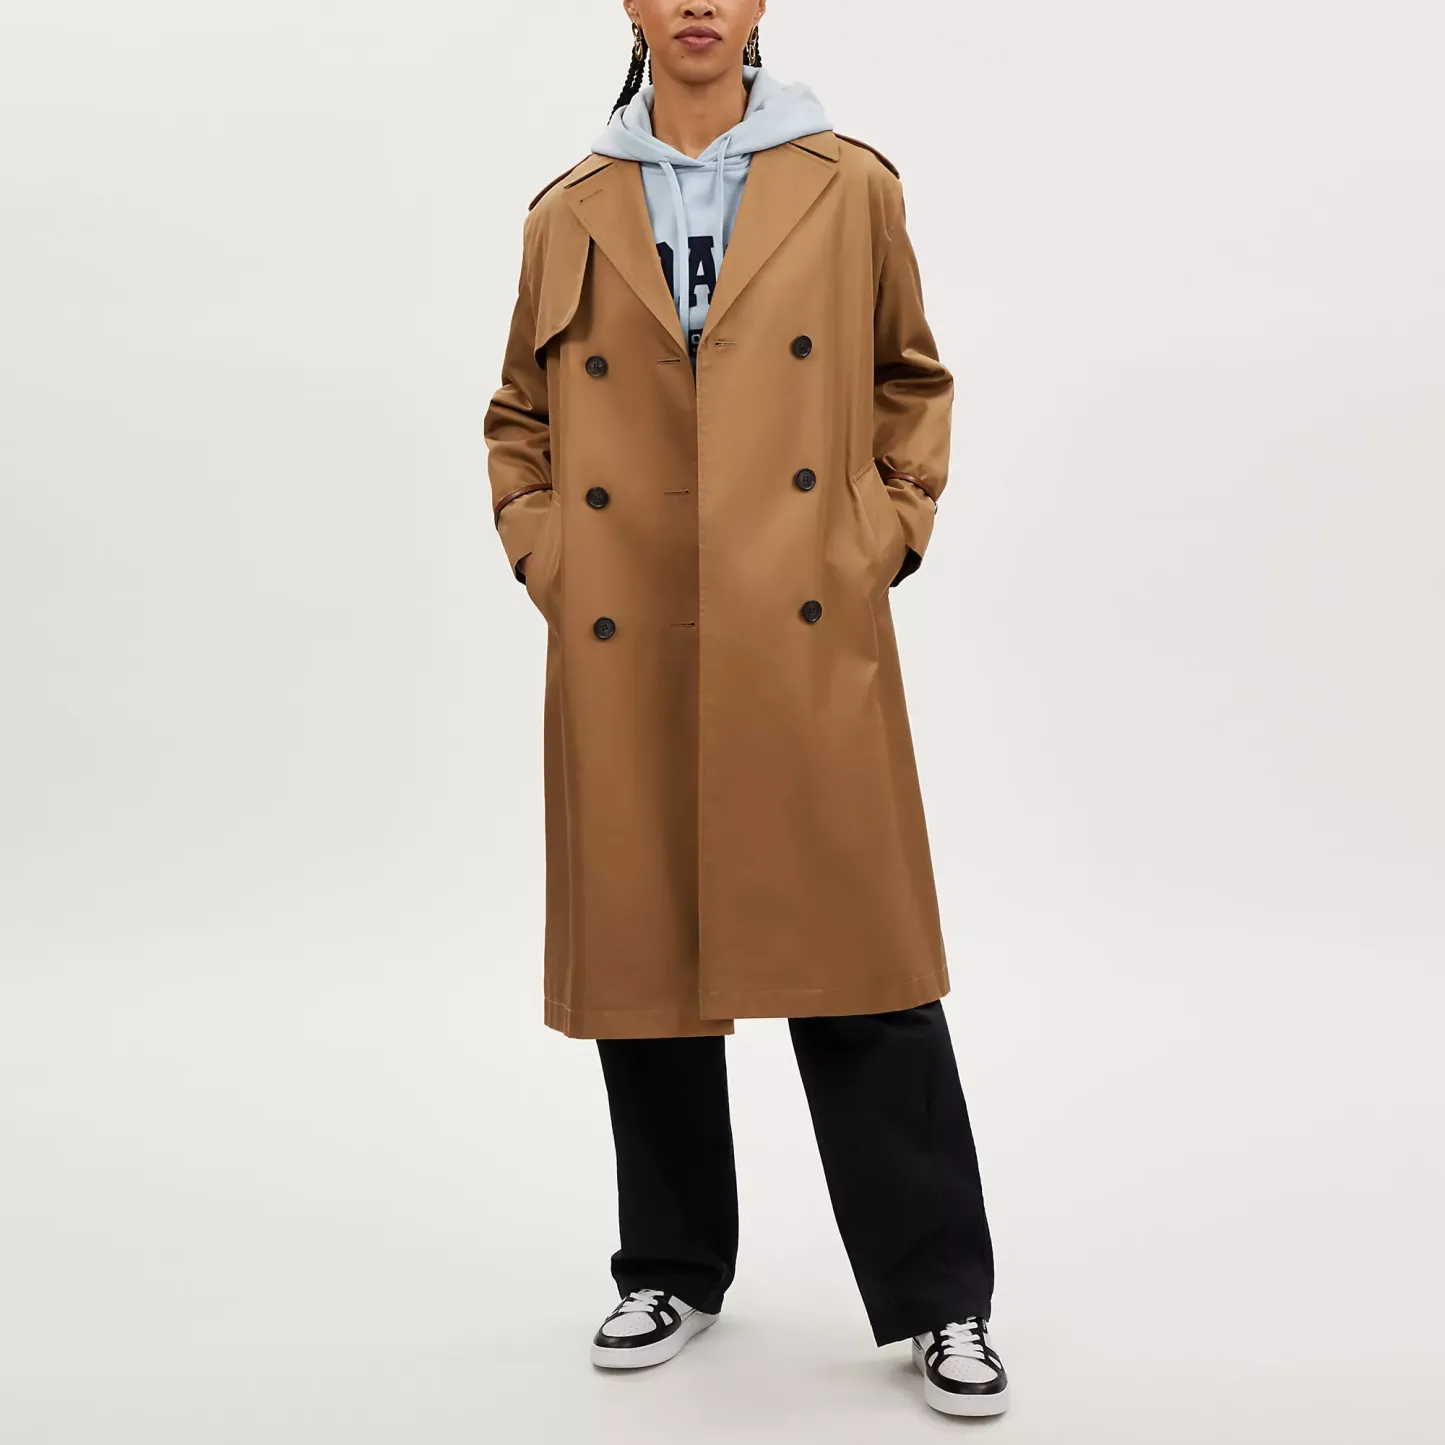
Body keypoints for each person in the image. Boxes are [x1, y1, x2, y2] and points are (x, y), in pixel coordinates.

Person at [484, 0, 1009, 1418]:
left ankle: (941, 1300)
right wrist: (553, 554)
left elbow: (910, 378)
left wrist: (879, 536)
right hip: (633, 627)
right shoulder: (570, 209)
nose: (700, 5)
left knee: (867, 971)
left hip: (802, 620)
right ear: (635, 9)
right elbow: (520, 416)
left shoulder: (848, 184)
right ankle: (670, 1267)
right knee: (649, 969)